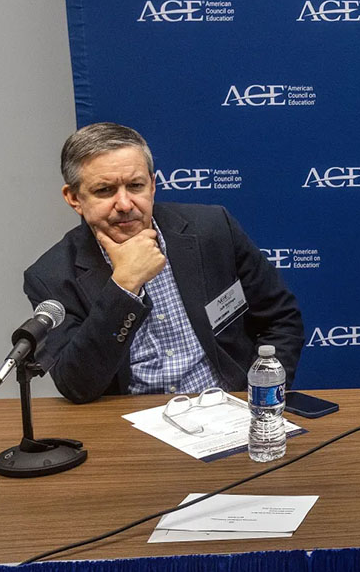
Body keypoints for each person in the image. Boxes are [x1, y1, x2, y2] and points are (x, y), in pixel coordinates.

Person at [23, 123, 304, 403]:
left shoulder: (213, 229)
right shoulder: (51, 276)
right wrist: (124, 286)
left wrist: (261, 397)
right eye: (105, 190)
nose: (125, 204)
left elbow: (281, 319)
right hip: (128, 419)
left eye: (136, 186)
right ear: (74, 198)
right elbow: (77, 385)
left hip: (228, 405)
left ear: (153, 185)